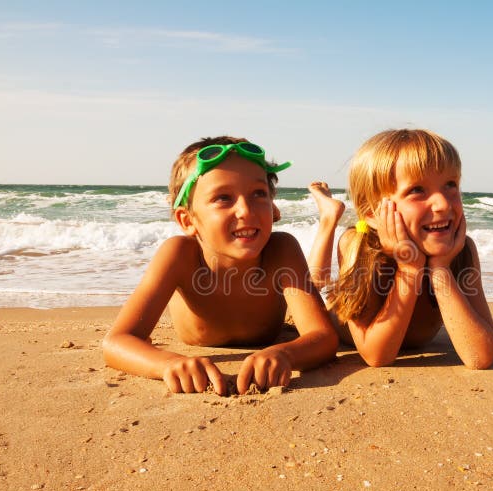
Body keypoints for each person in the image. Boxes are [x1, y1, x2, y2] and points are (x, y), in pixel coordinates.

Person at [103, 136, 338, 394]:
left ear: (273, 209)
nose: (246, 210)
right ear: (187, 220)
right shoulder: (180, 255)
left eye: (258, 194)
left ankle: (328, 219)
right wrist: (169, 364)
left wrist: (285, 354)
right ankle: (327, 218)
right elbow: (116, 342)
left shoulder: (281, 249)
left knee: (324, 291)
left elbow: (323, 337)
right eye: (223, 198)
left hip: (275, 327)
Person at [307, 129, 493, 369]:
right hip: (335, 321)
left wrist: (440, 269)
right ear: (372, 213)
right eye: (417, 190)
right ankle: (329, 217)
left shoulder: (462, 251)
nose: (443, 204)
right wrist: (409, 268)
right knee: (313, 285)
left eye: (451, 184)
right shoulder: (359, 246)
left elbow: (480, 356)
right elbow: (377, 356)